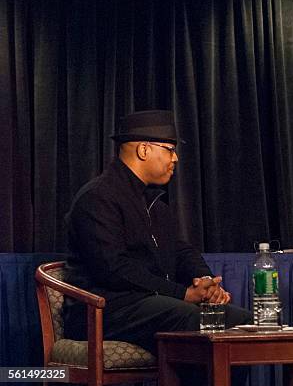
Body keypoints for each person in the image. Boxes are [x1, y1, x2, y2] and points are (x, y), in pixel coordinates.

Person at [63, 109, 252, 354]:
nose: (175, 159)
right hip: (105, 310)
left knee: (240, 320)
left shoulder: (153, 204)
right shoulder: (98, 197)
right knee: (190, 318)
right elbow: (113, 269)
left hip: (148, 305)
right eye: (169, 150)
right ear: (144, 150)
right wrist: (182, 293)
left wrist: (205, 282)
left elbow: (182, 251)